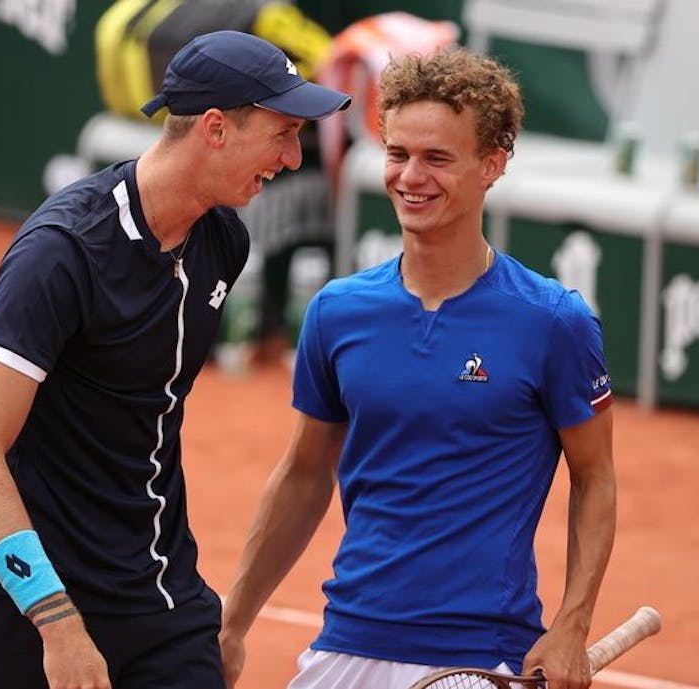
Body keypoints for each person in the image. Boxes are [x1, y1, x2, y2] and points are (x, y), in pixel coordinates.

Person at [0, 30, 349, 689]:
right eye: (282, 132)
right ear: (215, 127)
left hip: (156, 593)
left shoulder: (222, 241)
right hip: (31, 601)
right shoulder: (62, 252)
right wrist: (59, 624)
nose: (292, 158)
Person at [219, 47, 616, 689]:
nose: (411, 177)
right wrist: (232, 623)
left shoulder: (554, 322)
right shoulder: (338, 312)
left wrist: (572, 623)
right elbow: (302, 473)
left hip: (479, 653)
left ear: (492, 165)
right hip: (346, 642)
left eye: (437, 159)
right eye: (398, 154)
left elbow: (594, 478)